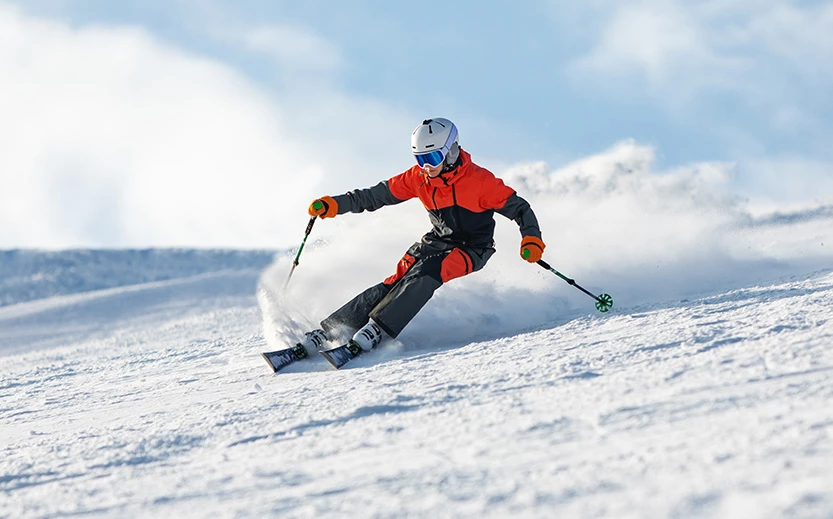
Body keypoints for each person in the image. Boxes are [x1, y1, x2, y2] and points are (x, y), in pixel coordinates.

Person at [298, 117, 545, 353]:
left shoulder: (480, 181)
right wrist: (335, 204)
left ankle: (378, 329)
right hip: (436, 242)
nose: (427, 166)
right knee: (396, 280)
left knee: (427, 273)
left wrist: (531, 239)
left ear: (451, 151)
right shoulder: (419, 178)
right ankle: (334, 330)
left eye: (432, 157)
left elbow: (521, 209)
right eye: (420, 159)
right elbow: (374, 196)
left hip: (472, 248)